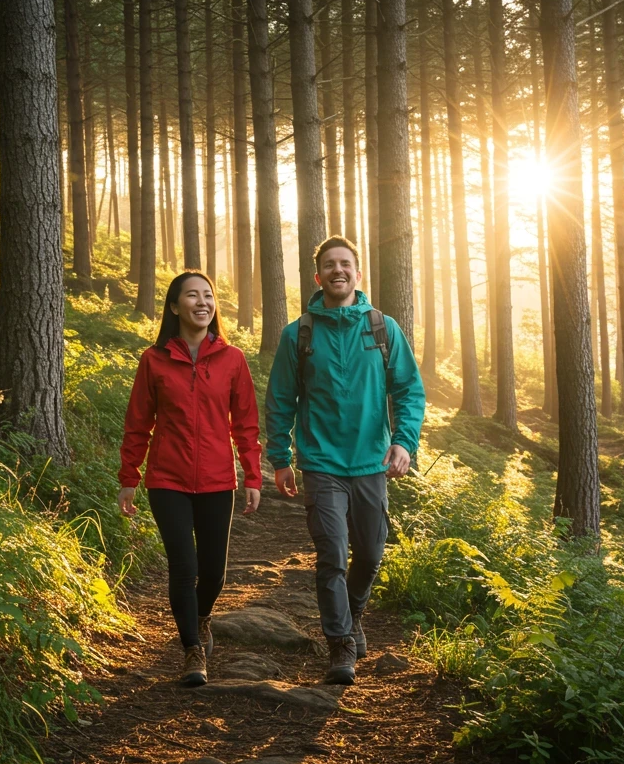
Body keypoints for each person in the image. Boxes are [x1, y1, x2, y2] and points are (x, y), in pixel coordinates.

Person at [264, 237, 426, 685]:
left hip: (372, 462)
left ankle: (351, 615)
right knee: (332, 554)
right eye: (329, 265)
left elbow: (409, 391)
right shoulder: (298, 334)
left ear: (358, 274)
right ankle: (340, 644)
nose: (338, 270)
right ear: (318, 278)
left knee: (371, 554)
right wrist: (280, 458)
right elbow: (279, 400)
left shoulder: (382, 327)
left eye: (345, 264)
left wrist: (404, 442)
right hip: (320, 464)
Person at [118, 271, 262, 687]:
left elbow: (246, 424)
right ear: (174, 306)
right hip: (167, 480)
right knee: (184, 566)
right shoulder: (154, 360)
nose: (202, 302)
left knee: (213, 571)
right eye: (192, 296)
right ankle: (192, 648)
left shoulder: (232, 359)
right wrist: (130, 476)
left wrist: (252, 475)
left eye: (208, 295)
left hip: (218, 480)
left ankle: (202, 617)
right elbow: (138, 424)